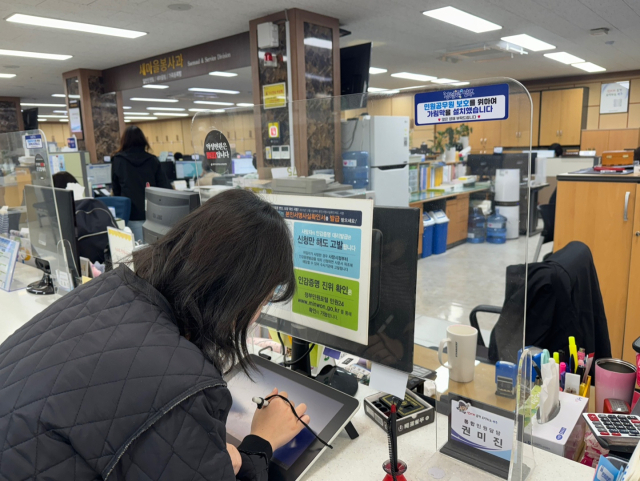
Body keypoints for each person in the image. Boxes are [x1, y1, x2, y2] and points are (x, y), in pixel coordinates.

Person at [0, 189, 308, 481]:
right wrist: (260, 443)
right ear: (240, 295)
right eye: (265, 298)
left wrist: (205, 457)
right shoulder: (184, 385)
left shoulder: (107, 288)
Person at [111, 126, 172, 241]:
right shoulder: (152, 160)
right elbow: (164, 187)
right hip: (153, 214)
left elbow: (116, 190)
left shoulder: (118, 160)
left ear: (124, 141)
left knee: (135, 250)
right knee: (152, 249)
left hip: (130, 213)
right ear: (143, 140)